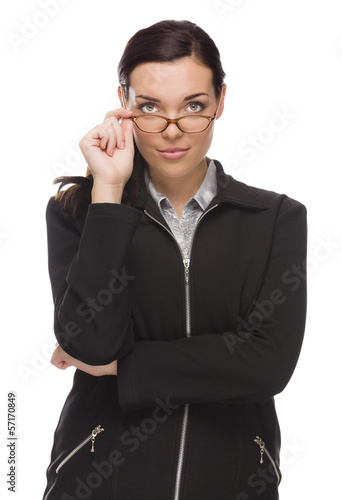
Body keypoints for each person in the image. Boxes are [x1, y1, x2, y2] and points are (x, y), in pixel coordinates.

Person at [42, 19, 307, 500]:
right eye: (149, 107)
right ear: (124, 103)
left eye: (194, 106)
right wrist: (108, 193)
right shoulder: (81, 212)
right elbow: (92, 345)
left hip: (232, 482)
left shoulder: (275, 218)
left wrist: (124, 370)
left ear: (220, 101)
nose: (172, 131)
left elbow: (267, 365)